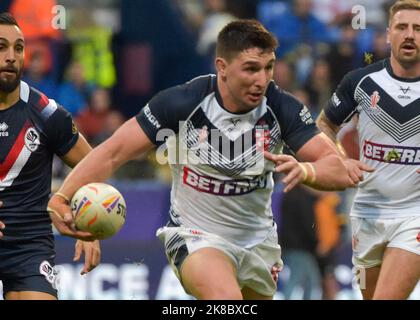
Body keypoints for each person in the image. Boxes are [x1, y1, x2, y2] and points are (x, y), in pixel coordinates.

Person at [48, 19, 354, 300]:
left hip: (258, 244)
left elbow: (338, 171)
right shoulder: (183, 103)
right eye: (250, 69)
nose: (262, 80)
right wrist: (62, 195)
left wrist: (306, 168)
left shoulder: (282, 108)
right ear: (222, 66)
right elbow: (113, 152)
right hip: (196, 237)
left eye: (268, 67)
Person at [316, 0, 420, 300]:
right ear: (388, 34)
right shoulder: (360, 81)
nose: (410, 35)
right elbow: (323, 126)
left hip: (414, 212)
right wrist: (339, 160)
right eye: (402, 27)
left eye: (418, 28)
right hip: (367, 211)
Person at [0, 13, 100, 300]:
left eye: (18, 48)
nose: (11, 56)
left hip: (29, 248)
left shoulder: (46, 113)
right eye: (1, 47)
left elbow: (93, 165)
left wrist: (92, 227)